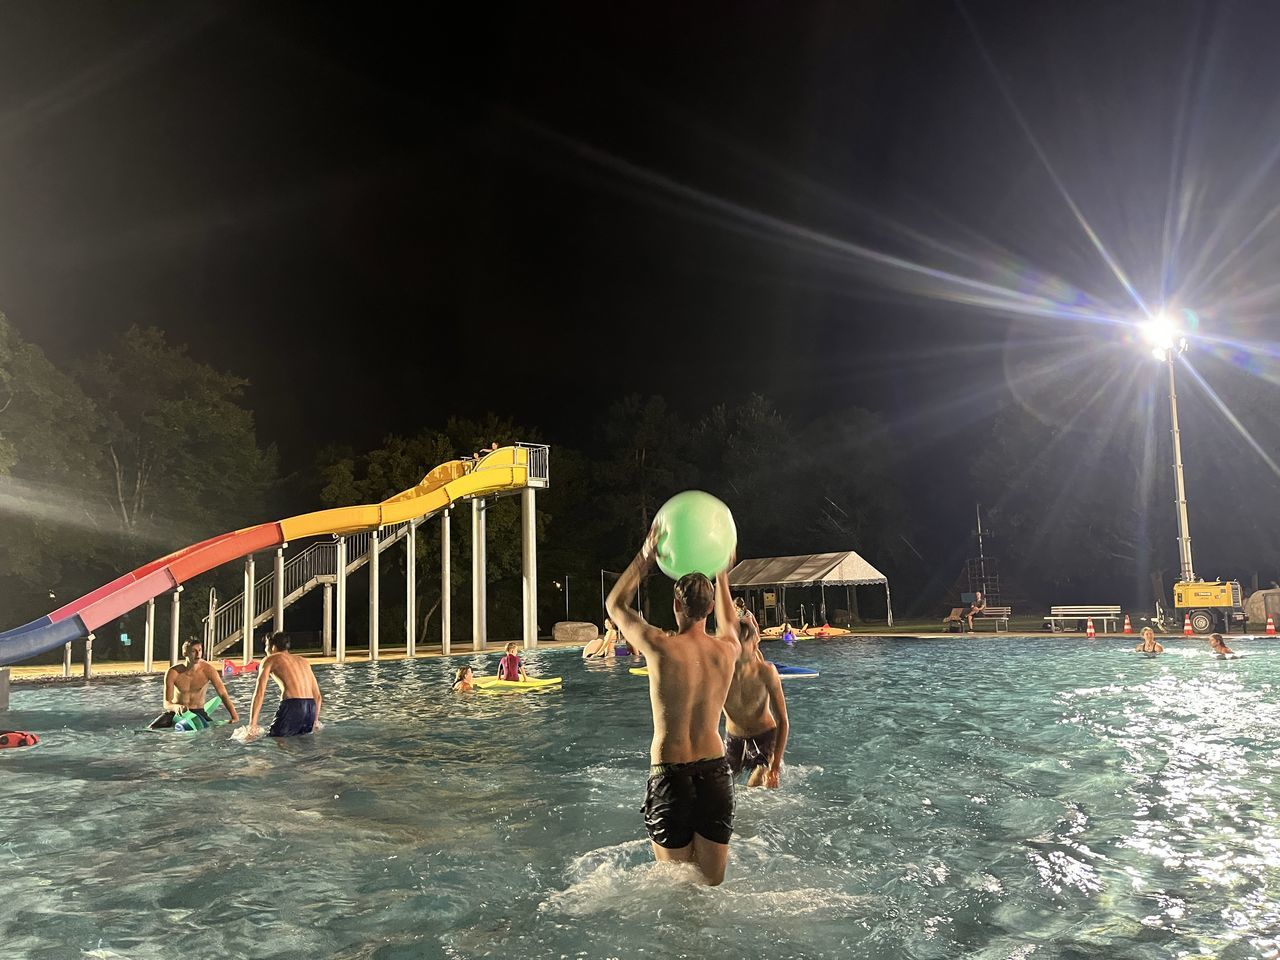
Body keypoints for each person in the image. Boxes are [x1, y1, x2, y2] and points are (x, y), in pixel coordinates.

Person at [606, 525, 741, 886]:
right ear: (710, 607)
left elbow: (615, 605)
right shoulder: (727, 650)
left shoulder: (659, 646)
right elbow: (730, 623)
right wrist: (721, 570)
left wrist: (646, 555)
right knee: (711, 885)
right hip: (715, 773)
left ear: (677, 605)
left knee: (676, 887)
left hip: (670, 774)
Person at [723, 611, 788, 788]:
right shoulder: (720, 675)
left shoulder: (766, 672)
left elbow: (783, 721)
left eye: (740, 642)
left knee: (757, 783)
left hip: (765, 737)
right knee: (722, 787)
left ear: (754, 642)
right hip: (733, 740)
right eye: (732, 642)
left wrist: (775, 766)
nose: (735, 647)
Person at [149, 638, 240, 729]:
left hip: (198, 712)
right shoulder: (173, 672)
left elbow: (223, 694)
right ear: (185, 653)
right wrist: (175, 707)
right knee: (150, 729)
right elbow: (166, 703)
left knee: (211, 732)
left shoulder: (208, 670)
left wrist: (234, 717)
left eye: (200, 650)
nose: (198, 654)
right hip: (176, 713)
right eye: (193, 651)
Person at [247, 632, 323, 737]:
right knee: (302, 741)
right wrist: (315, 720)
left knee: (276, 739)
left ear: (273, 647)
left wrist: (252, 725)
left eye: (266, 646)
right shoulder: (303, 661)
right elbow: (318, 697)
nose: (265, 650)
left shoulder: (270, 660)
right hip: (311, 708)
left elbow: (259, 694)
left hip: (292, 706)